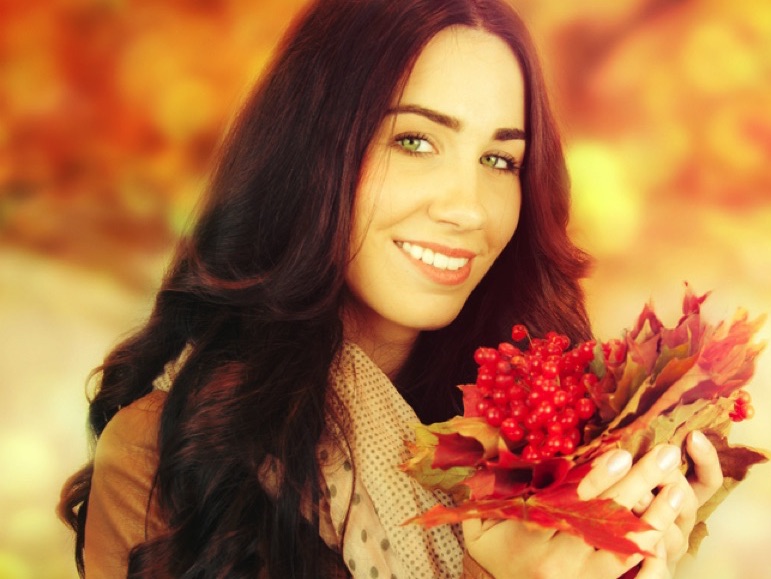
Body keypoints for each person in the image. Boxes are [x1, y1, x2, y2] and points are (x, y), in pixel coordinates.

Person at [57, 0, 724, 577]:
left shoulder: (553, 439)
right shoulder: (172, 453)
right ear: (313, 151)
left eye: (499, 160)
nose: (467, 208)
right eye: (414, 140)